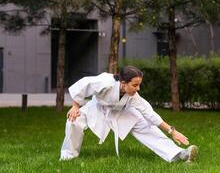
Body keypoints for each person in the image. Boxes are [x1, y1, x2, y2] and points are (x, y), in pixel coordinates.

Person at [60, 65, 198, 162]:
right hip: (97, 108)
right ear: (123, 82)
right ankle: (68, 156)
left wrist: (172, 131)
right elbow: (83, 85)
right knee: (73, 120)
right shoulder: (104, 82)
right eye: (134, 85)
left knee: (146, 126)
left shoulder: (133, 96)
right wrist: (74, 106)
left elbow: (150, 114)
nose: (138, 89)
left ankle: (179, 154)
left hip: (120, 112)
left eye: (139, 85)